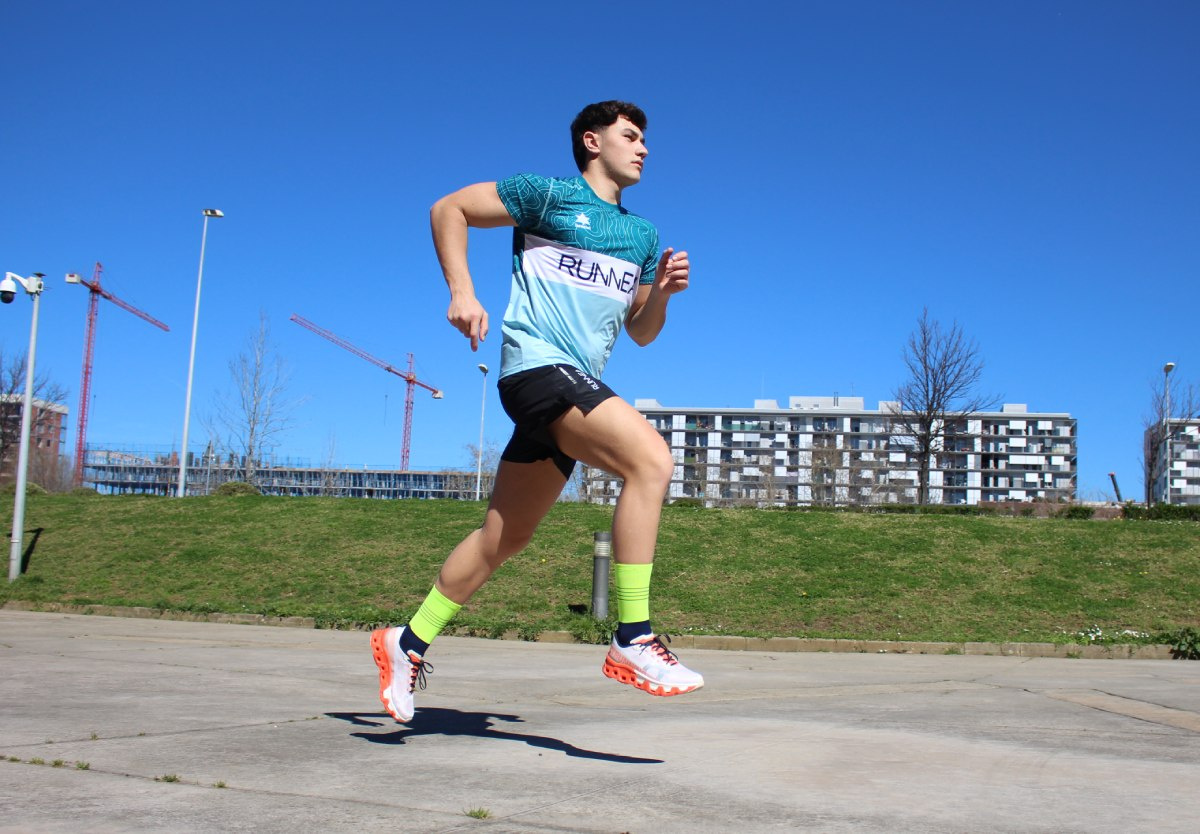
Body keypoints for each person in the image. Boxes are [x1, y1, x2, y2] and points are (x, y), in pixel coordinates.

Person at [371, 100, 701, 723]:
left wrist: (660, 294)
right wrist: (462, 291)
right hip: (537, 370)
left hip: (572, 389)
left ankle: (406, 642)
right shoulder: (545, 197)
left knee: (506, 537)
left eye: (645, 140)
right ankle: (633, 637)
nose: (644, 148)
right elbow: (450, 209)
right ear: (591, 141)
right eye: (630, 136)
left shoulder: (641, 235)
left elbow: (641, 332)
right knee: (652, 460)